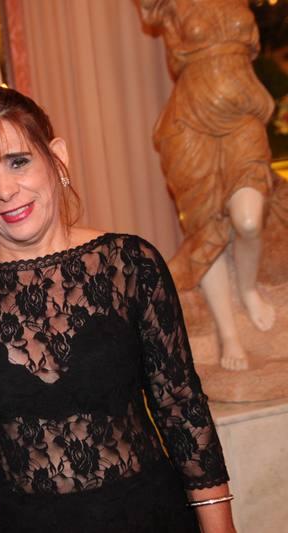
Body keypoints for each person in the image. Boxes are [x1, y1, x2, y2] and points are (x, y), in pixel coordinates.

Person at [0, 87, 235, 532]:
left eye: (18, 162)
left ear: (57, 157)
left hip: (148, 516)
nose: (5, 190)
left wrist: (220, 529)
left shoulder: (129, 264)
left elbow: (182, 408)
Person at [140, 0, 276, 370]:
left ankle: (248, 289)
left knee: (248, 220)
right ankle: (228, 334)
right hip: (190, 122)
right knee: (204, 229)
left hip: (243, 113)